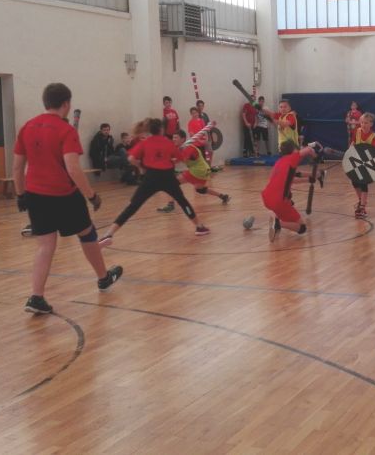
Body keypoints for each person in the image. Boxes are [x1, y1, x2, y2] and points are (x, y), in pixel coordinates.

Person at [13, 83, 123, 314]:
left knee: (45, 245)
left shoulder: (27, 127)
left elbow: (17, 167)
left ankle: (36, 297)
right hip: (64, 195)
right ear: (66, 104)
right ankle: (103, 278)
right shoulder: (66, 130)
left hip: (35, 195)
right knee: (87, 234)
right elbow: (73, 168)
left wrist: (20, 194)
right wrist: (91, 195)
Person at [99, 118, 211, 247]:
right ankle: (199, 227)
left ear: (150, 130)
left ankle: (109, 234)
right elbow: (179, 159)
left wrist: (141, 167)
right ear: (161, 129)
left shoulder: (145, 142)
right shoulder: (168, 142)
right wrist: (169, 159)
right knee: (182, 201)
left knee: (133, 206)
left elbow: (131, 158)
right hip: (168, 177)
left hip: (150, 177)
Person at [262, 140, 324, 242]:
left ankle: (277, 220)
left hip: (266, 198)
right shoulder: (292, 158)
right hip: (279, 201)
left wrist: (309, 179)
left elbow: (291, 180)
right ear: (293, 151)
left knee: (289, 201)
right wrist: (316, 157)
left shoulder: (279, 162)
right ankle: (277, 224)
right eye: (296, 149)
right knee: (302, 228)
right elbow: (309, 150)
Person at [158, 131, 230, 211]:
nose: (173, 139)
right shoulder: (181, 148)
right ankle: (223, 196)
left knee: (172, 183)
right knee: (200, 189)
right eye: (173, 137)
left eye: (176, 137)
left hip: (198, 170)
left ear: (183, 139)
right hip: (204, 170)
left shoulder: (188, 148)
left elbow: (179, 160)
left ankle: (170, 205)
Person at [350, 112, 375, 218]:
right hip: (356, 162)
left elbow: (374, 153)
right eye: (362, 122)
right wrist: (350, 151)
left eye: (366, 123)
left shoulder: (373, 137)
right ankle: (361, 201)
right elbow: (353, 143)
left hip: (367, 164)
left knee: (363, 184)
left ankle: (362, 208)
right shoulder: (357, 131)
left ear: (371, 124)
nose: (363, 124)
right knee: (354, 182)